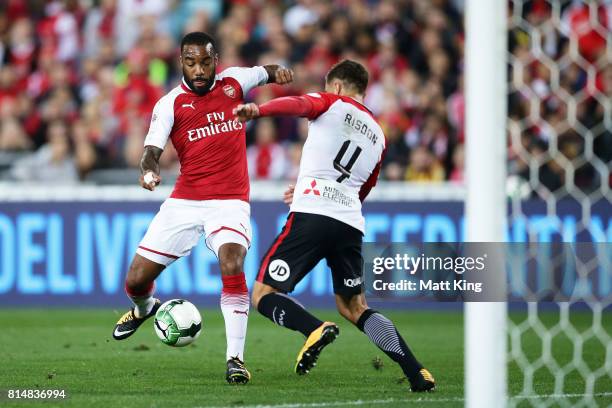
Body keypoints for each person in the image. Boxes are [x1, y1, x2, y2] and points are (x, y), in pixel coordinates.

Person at [233, 60, 435, 392]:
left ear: (337, 87)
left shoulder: (331, 103)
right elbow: (363, 188)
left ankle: (313, 328)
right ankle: (417, 371)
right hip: (349, 223)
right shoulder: (379, 136)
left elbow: (300, 104)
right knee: (355, 306)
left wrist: (260, 110)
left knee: (263, 294)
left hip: (312, 214)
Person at [112, 32, 294, 385]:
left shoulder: (235, 82)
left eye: (205, 62)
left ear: (216, 60)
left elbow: (265, 71)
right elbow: (151, 149)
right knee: (135, 280)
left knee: (232, 261)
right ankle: (144, 308)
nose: (198, 70)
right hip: (185, 200)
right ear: (181, 62)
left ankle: (235, 359)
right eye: (191, 62)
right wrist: (149, 170)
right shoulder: (170, 104)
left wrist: (279, 71)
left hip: (230, 202)